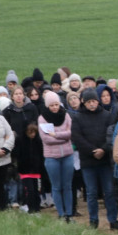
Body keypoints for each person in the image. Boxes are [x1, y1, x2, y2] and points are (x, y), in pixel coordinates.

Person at [73, 88, 118, 231]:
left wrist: (103, 149)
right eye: (89, 102)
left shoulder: (107, 115)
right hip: (88, 161)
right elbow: (77, 138)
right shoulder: (78, 117)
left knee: (109, 191)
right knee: (91, 192)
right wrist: (93, 151)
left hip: (104, 159)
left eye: (94, 101)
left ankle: (113, 219)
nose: (92, 104)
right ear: (83, 102)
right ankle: (93, 219)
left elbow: (111, 135)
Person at [39, 90, 76, 221]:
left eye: (56, 104)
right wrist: (63, 137)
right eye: (52, 105)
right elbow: (46, 139)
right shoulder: (42, 118)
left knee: (67, 186)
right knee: (56, 186)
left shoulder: (66, 116)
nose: (55, 107)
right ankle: (61, 213)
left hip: (67, 155)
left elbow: (70, 133)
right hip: (51, 157)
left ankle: (69, 213)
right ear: (47, 106)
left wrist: (56, 135)